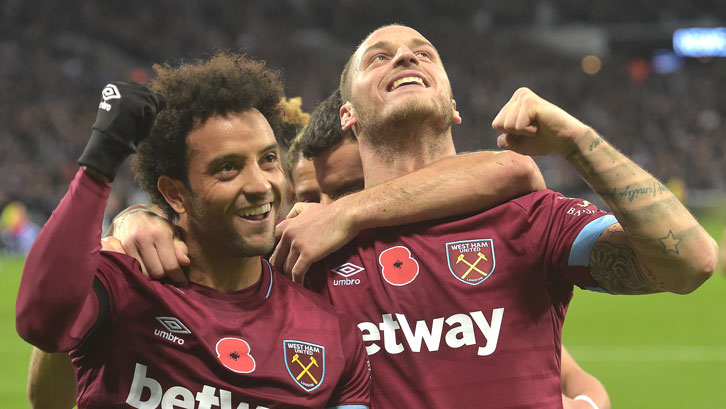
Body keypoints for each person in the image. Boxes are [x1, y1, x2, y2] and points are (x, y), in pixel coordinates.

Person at [57, 24, 716, 408]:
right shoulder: (292, 247)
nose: (404, 55)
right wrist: (139, 221)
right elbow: (70, 366)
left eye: (423, 52)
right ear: (348, 114)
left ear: (455, 106)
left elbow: (690, 260)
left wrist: (576, 139)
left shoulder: (529, 218)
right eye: (378, 56)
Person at [16, 53, 372, 409]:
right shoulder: (125, 281)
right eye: (228, 168)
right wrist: (99, 163)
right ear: (175, 193)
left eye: (267, 159)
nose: (260, 185)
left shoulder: (333, 335)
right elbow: (42, 323)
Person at [296, 89, 610, 409]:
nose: (324, 211)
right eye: (309, 197)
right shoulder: (301, 275)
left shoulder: (456, 260)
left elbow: (578, 381)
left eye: (349, 191)